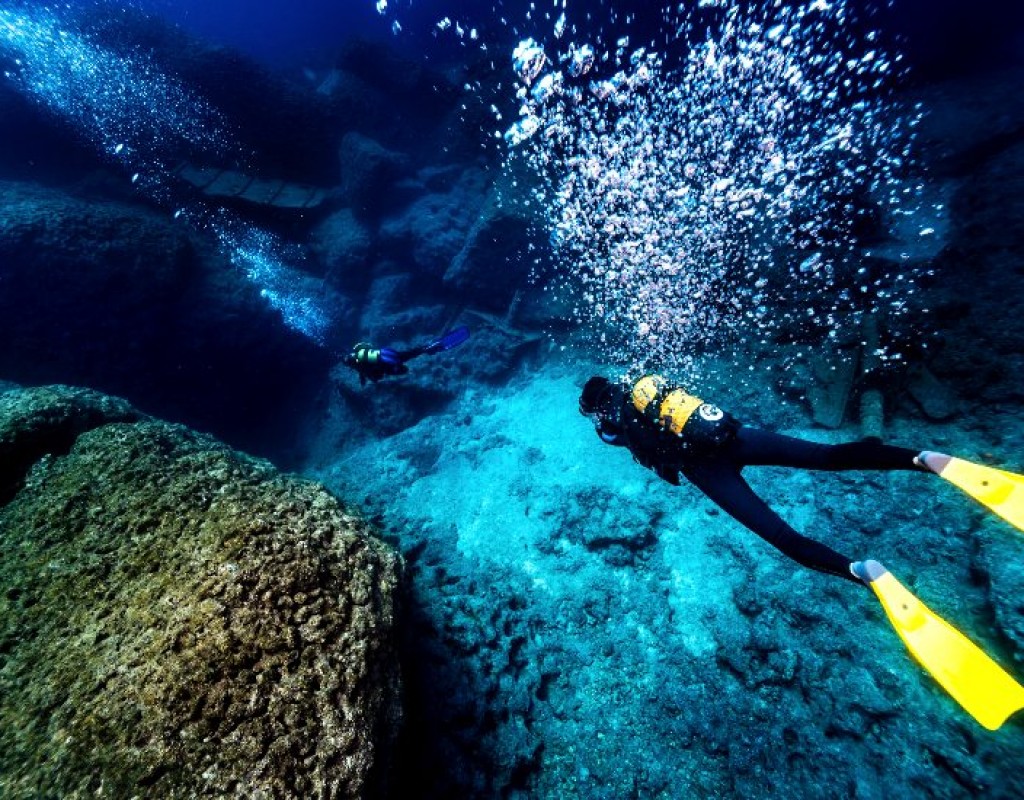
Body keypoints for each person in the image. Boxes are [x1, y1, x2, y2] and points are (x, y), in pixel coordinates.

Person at [578, 373, 938, 585]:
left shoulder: (615, 421)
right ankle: (917, 458)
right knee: (827, 456)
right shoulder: (645, 385)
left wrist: (604, 423)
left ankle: (857, 570)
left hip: (708, 471)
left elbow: (637, 452)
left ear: (597, 408)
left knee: (786, 539)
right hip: (734, 436)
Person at [343, 326, 470, 386]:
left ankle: (431, 348)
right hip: (387, 352)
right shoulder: (359, 356)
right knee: (409, 354)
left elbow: (376, 377)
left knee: (404, 369)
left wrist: (371, 380)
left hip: (388, 361)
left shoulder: (358, 365)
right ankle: (426, 347)